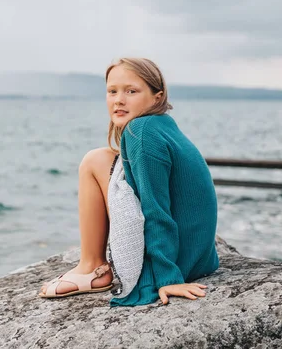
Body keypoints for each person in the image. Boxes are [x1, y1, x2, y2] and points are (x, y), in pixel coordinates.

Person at [39, 57, 219, 306]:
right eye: (112, 91)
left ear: (157, 96)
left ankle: (92, 267)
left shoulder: (141, 132)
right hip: (199, 257)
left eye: (131, 91)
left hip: (179, 262)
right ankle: (92, 264)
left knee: (93, 161)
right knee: (103, 157)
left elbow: (156, 210)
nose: (118, 100)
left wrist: (168, 278)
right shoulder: (159, 125)